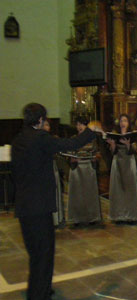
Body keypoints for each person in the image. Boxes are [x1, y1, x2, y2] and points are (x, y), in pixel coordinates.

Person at [11, 103, 96, 300]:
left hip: (24, 204)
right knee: (44, 253)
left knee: (35, 253)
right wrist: (91, 131)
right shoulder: (40, 138)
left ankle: (40, 289)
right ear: (40, 120)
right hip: (39, 206)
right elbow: (70, 145)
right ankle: (39, 295)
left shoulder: (18, 139)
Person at [67, 116, 102, 226]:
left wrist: (95, 157)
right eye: (77, 124)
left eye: (81, 124)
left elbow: (98, 153)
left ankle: (91, 217)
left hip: (88, 168)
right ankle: (77, 218)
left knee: (89, 194)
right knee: (77, 194)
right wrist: (71, 158)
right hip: (77, 169)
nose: (79, 127)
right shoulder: (74, 138)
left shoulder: (92, 139)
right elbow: (69, 153)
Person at [107, 114, 137, 224]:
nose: (123, 123)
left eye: (125, 121)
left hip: (129, 162)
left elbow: (134, 150)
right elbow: (112, 152)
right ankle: (119, 215)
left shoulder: (132, 135)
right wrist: (112, 144)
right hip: (117, 162)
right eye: (121, 121)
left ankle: (131, 215)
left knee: (130, 188)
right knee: (118, 188)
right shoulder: (115, 134)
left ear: (128, 123)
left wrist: (127, 144)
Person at [43, 119, 65, 227]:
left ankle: (56, 218)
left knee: (54, 191)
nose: (45, 127)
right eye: (43, 125)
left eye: (47, 125)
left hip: (52, 167)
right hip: (41, 170)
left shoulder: (52, 139)